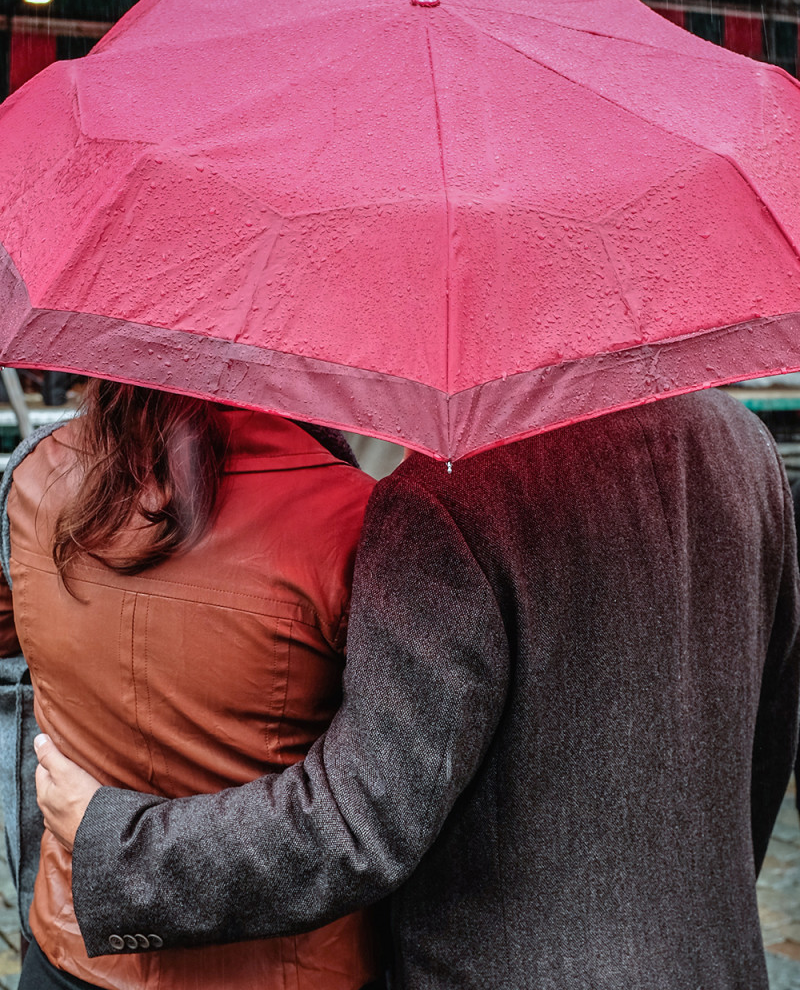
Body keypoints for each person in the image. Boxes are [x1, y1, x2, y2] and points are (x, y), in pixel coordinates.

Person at [37, 390, 800, 989]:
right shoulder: (743, 447)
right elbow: (767, 740)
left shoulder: (447, 499)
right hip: (716, 965)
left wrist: (119, 842)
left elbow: (355, 825)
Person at [0, 379, 381, 989]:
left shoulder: (34, 478)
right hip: (290, 968)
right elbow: (373, 796)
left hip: (74, 946)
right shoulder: (356, 518)